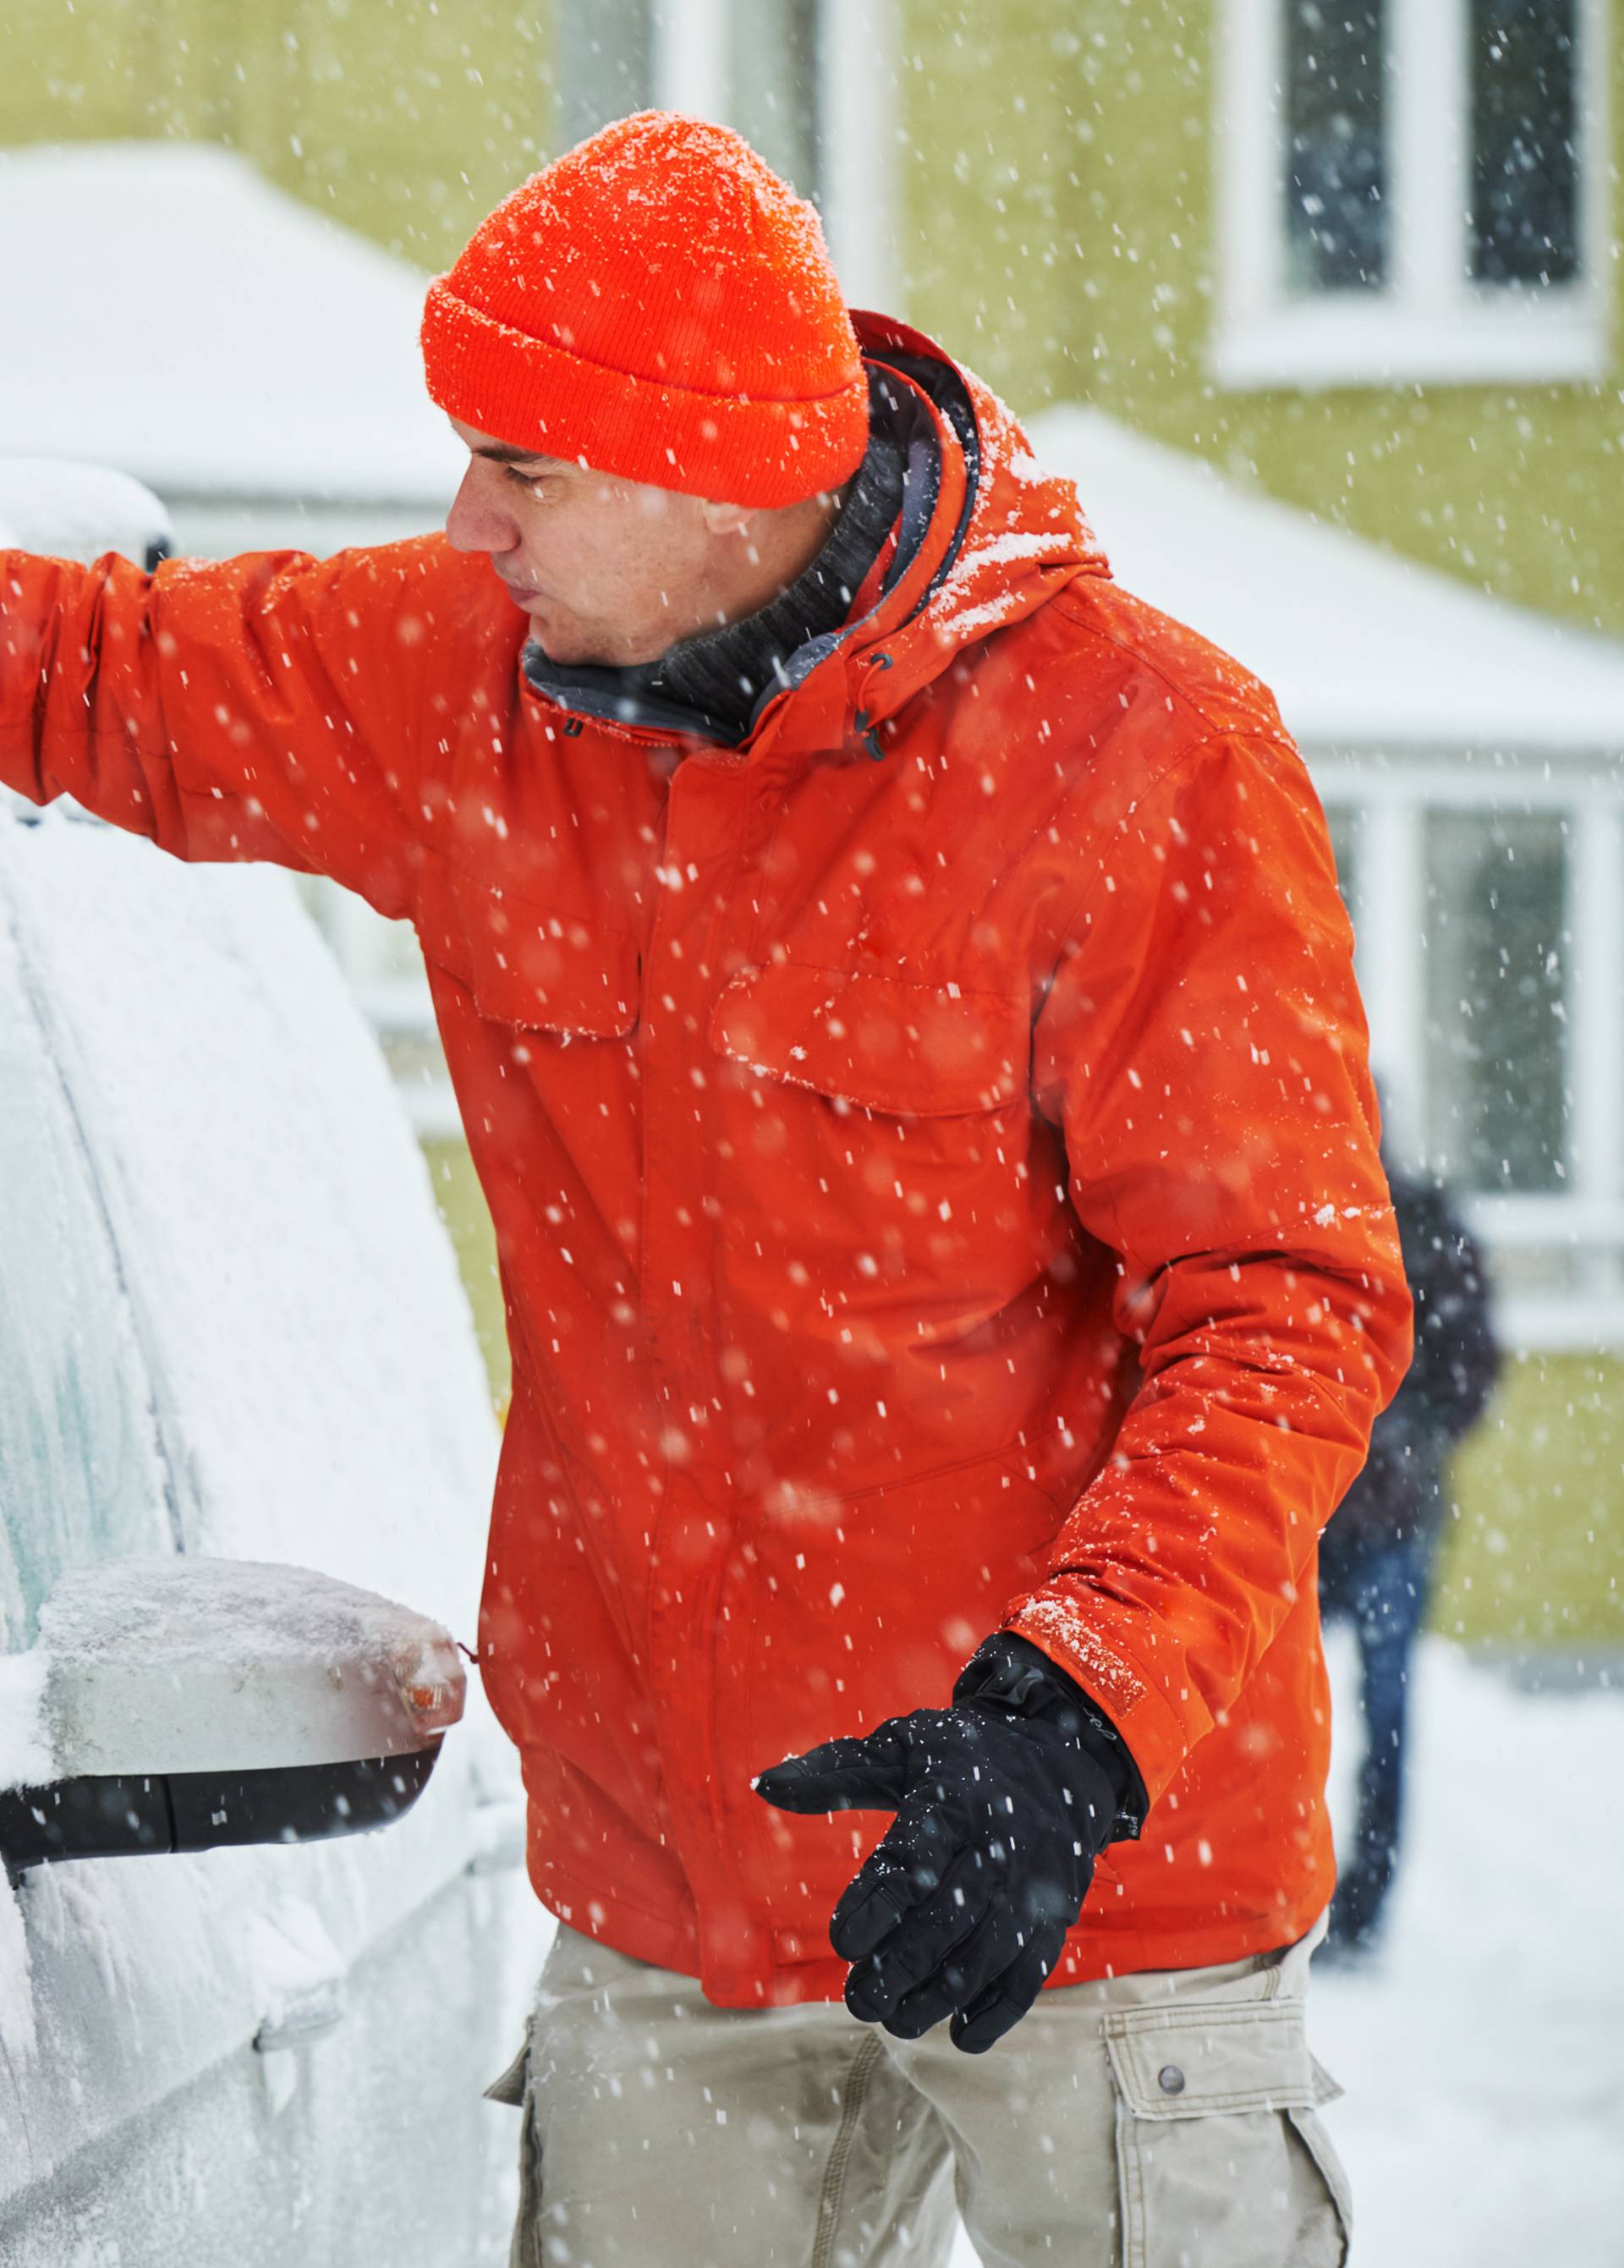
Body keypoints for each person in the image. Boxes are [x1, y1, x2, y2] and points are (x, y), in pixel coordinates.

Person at [1, 113, 1409, 2265]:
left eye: (528, 468)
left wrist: (1075, 1713)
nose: (470, 521)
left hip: (1080, 1884)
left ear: (724, 476)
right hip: (673, 1893)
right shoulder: (465, 691)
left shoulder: (1142, 759)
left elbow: (1286, 1302)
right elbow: (93, 671)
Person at [1319, 1152, 1499, 1962]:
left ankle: (1359, 1909)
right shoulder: (1307, 1210)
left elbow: (1474, 1363)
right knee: (1275, 1716)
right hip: (1312, 1517)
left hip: (1386, 1524)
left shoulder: (1421, 1224)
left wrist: (1410, 1440)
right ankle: (1294, 1898)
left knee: (1383, 1719)